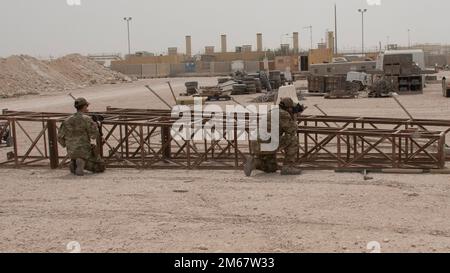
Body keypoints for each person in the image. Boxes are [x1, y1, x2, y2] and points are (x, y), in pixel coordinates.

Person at [244, 97, 304, 176]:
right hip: (266, 143)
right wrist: (294, 117)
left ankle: (254, 162)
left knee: (271, 168)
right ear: (289, 108)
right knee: (293, 139)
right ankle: (288, 167)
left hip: (256, 143)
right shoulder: (283, 113)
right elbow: (292, 130)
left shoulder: (272, 111)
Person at [58, 97, 105, 176]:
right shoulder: (86, 119)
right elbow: (94, 135)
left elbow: (60, 137)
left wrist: (67, 144)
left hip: (71, 151)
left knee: (78, 155)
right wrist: (96, 125)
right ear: (84, 107)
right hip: (84, 151)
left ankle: (74, 162)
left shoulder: (67, 120)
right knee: (100, 167)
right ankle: (80, 162)